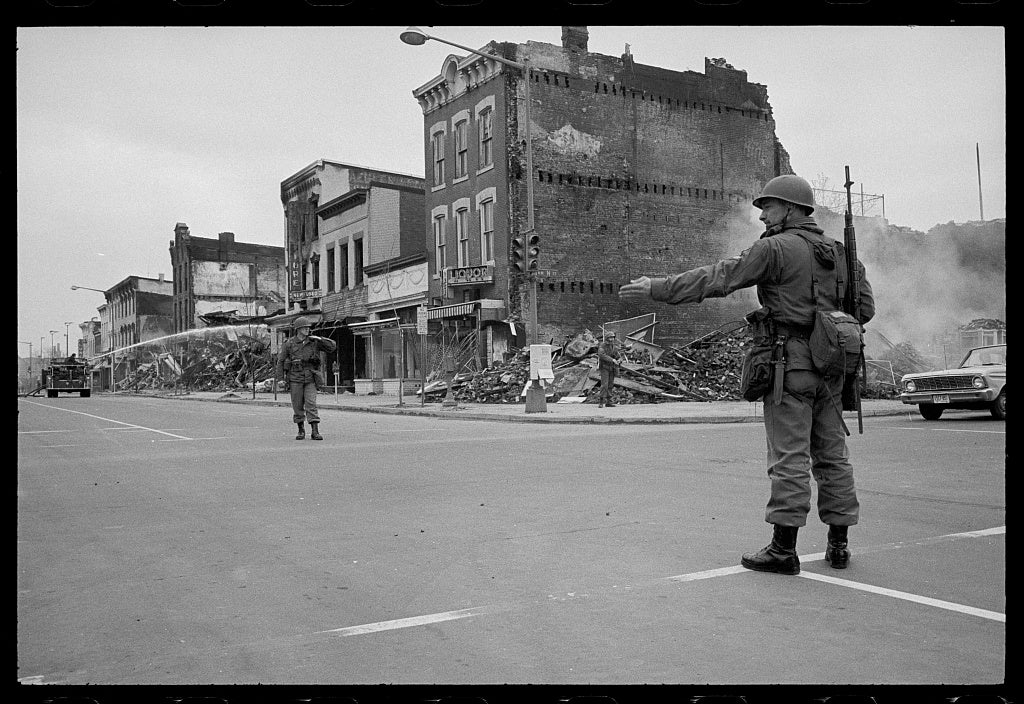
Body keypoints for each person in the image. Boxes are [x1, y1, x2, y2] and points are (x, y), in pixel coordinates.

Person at [619, 174, 874, 575]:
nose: (762, 216)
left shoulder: (773, 248)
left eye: (768, 207)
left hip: (789, 365)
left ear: (790, 209)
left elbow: (720, 278)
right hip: (833, 368)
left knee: (789, 458)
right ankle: (839, 546)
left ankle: (783, 550)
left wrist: (658, 287)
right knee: (833, 457)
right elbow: (865, 310)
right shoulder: (842, 253)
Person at [276, 315, 337, 440]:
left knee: (311, 403)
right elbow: (280, 361)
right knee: (297, 405)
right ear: (298, 329)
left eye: (308, 328)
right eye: (304, 328)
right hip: (295, 377)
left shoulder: (314, 342)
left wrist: (320, 339)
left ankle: (315, 431)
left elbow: (332, 347)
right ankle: (301, 430)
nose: (307, 330)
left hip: (310, 377)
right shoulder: (289, 344)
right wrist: (280, 379)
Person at [597, 331, 621, 408]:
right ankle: (601, 401)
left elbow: (618, 355)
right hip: (604, 367)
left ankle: (608, 401)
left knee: (610, 385)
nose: (611, 339)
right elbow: (601, 355)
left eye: (613, 337)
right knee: (604, 385)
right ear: (607, 338)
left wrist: (620, 360)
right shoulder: (602, 346)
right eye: (610, 337)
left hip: (612, 368)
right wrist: (612, 360)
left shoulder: (613, 346)